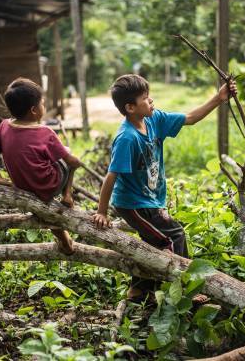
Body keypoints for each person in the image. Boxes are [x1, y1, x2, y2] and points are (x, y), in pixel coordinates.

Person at [92, 74, 236, 303]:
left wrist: (219, 98)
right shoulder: (127, 138)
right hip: (132, 204)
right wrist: (101, 211)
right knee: (173, 237)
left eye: (149, 97)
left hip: (150, 199)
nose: (151, 102)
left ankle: (139, 292)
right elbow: (111, 176)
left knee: (151, 243)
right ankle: (185, 289)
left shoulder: (154, 120)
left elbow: (190, 118)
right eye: (145, 99)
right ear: (130, 107)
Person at [0, 77, 80, 254]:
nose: (44, 106)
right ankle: (67, 195)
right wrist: (76, 161)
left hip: (22, 186)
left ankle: (64, 240)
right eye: (42, 103)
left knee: (44, 208)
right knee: (69, 156)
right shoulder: (45, 132)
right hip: (49, 186)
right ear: (34, 110)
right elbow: (70, 162)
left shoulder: (4, 126)